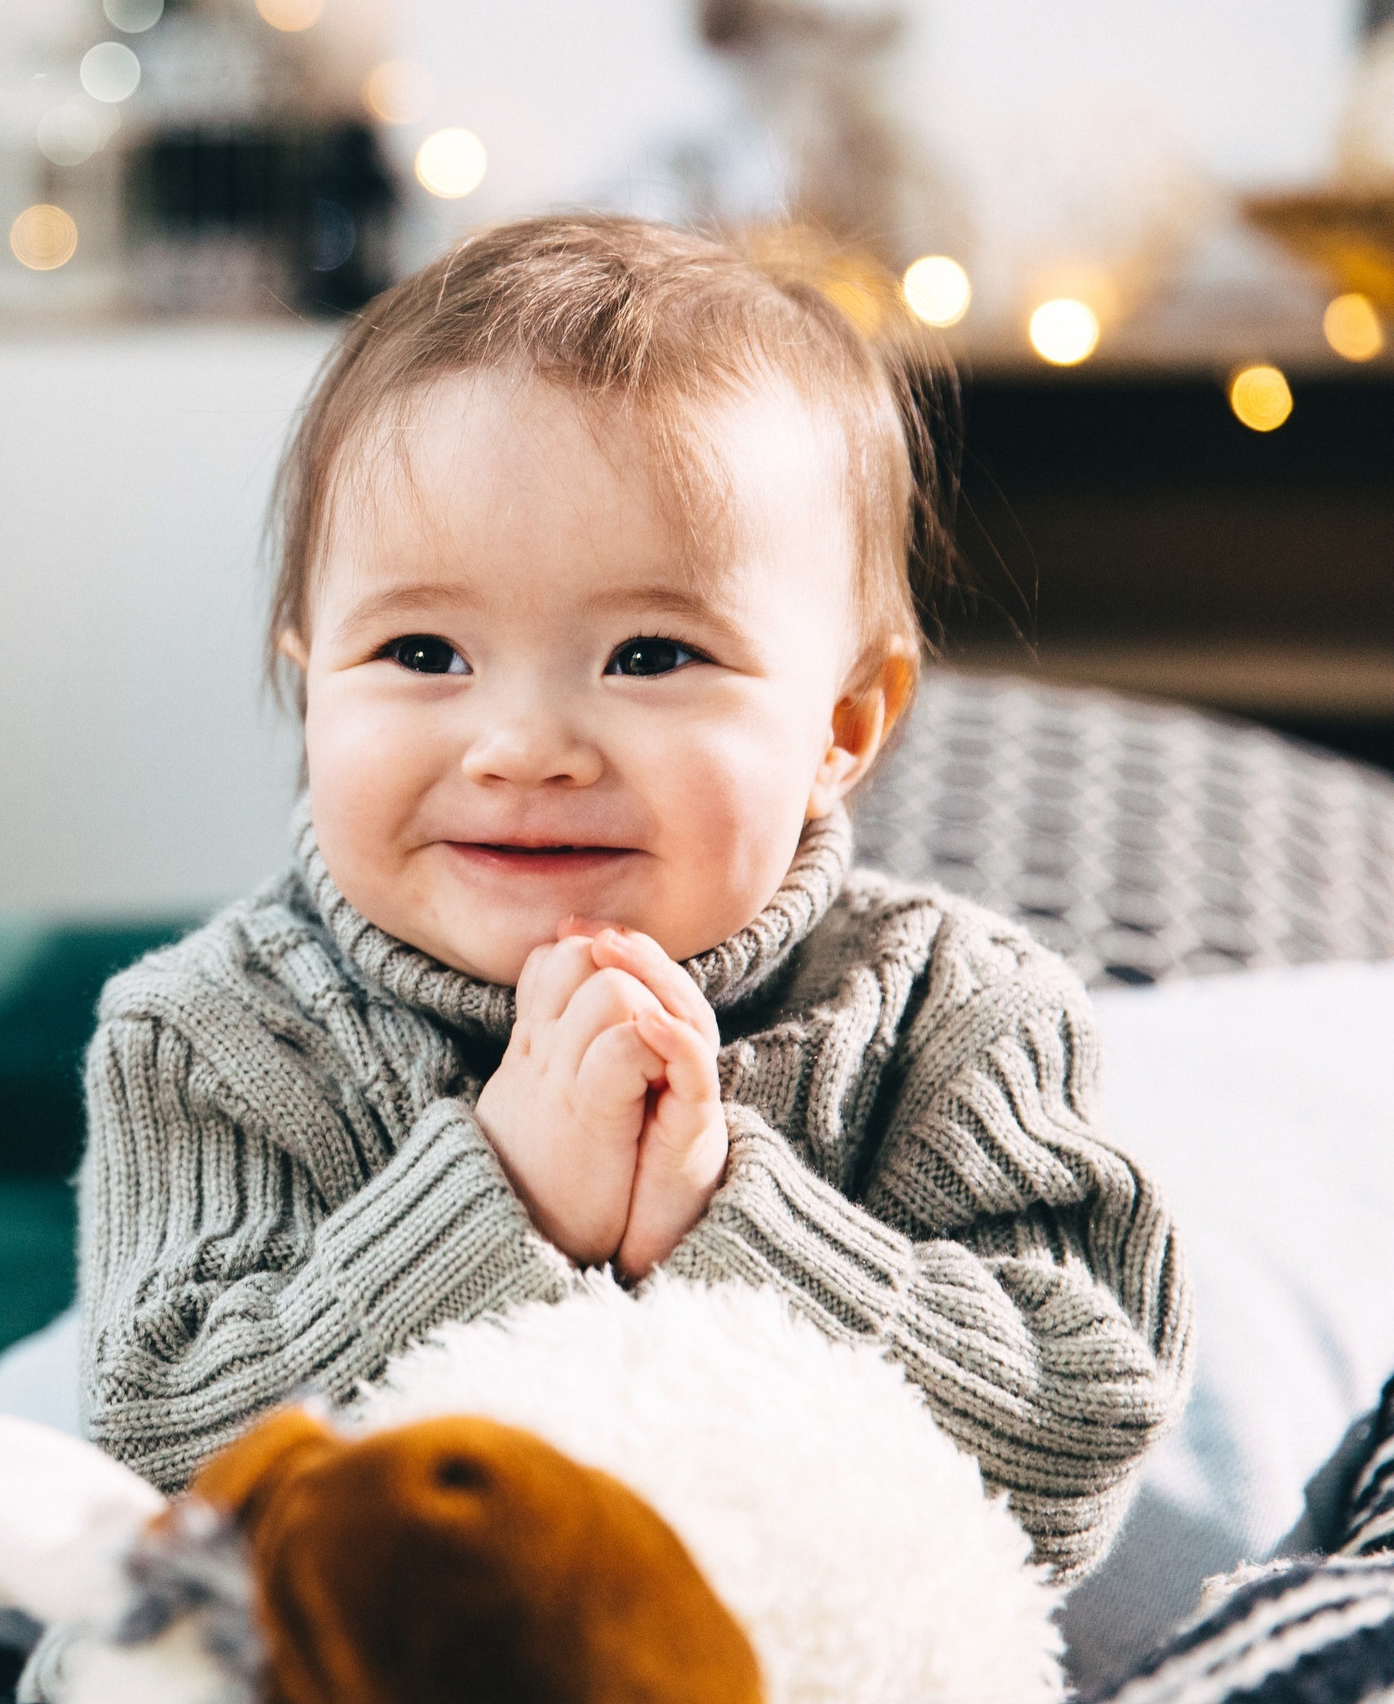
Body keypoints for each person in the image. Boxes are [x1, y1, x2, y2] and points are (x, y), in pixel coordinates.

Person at [75, 214, 1191, 1581]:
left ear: (842, 724)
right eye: (423, 650)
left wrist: (728, 1220)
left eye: (652, 653)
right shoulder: (214, 1033)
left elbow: (1078, 1446)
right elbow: (162, 1463)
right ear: (312, 683)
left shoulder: (955, 1015)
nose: (526, 746)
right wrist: (497, 1195)